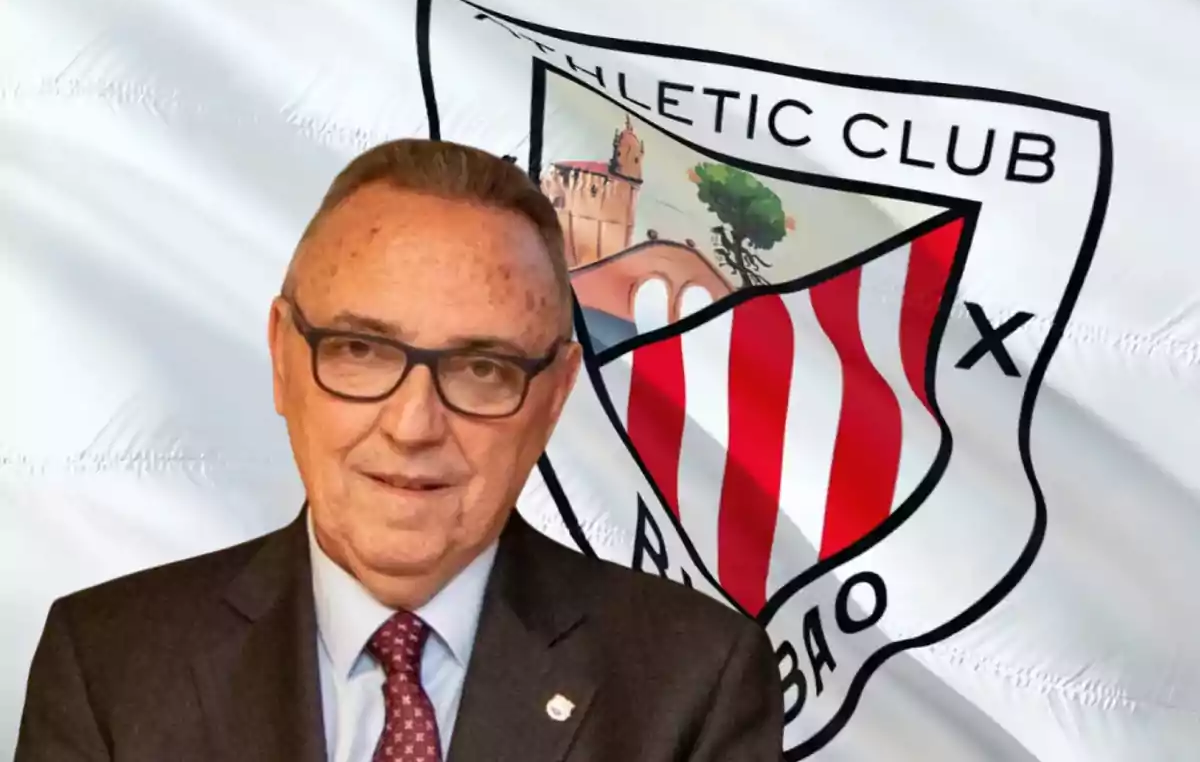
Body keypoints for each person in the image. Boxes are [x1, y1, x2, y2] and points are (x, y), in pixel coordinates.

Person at [14, 139, 784, 761]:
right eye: (361, 351)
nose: (413, 424)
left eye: (482, 368)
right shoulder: (111, 664)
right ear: (284, 358)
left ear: (552, 398)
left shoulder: (693, 684)